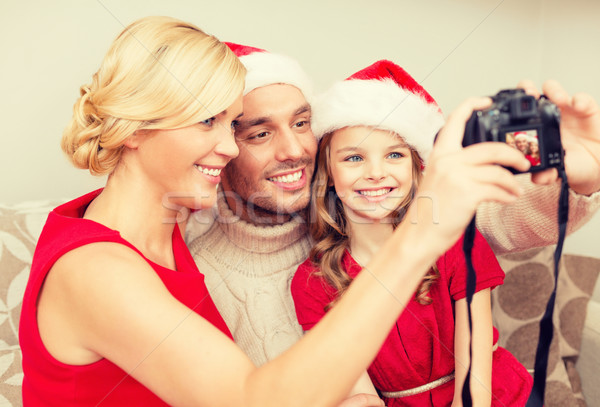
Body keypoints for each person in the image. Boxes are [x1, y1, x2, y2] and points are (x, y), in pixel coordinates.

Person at [20, 16, 525, 407]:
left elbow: (501, 223)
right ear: (133, 128)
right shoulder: (94, 271)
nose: (227, 147)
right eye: (208, 123)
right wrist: (416, 241)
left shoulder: (167, 227)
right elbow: (254, 399)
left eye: (231, 125)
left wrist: (574, 175)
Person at [187, 42, 600, 371]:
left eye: (301, 124)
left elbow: (503, 217)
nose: (294, 150)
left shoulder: (374, 211)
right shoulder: (196, 270)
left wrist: (586, 173)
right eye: (259, 134)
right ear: (221, 147)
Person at [290, 60, 532, 406]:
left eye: (394, 154)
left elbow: (474, 375)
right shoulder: (313, 282)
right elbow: (357, 388)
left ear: (416, 166)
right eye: (353, 158)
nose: (375, 173)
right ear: (328, 172)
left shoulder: (455, 240)